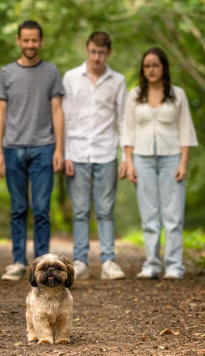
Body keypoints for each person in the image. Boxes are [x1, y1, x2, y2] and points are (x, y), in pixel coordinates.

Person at [0, 20, 65, 282]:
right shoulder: (7, 73)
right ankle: (17, 261)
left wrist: (59, 148)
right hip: (13, 148)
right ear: (18, 41)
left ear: (41, 41)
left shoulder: (51, 72)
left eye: (35, 40)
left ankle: (44, 265)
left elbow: (57, 110)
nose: (31, 44)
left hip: (44, 148)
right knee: (18, 208)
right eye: (26, 40)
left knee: (42, 208)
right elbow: (0, 112)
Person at [122, 47, 198, 280]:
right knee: (149, 214)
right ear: (142, 69)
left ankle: (174, 265)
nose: (151, 70)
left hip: (171, 157)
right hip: (142, 158)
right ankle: (152, 263)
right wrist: (129, 161)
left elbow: (185, 129)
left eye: (155, 65)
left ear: (163, 67)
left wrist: (183, 162)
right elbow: (128, 129)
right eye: (147, 66)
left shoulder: (178, 95)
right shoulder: (135, 95)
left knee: (173, 215)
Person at [62, 31, 127, 280]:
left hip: (106, 152)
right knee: (79, 210)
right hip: (76, 153)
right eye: (92, 51)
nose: (96, 57)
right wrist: (65, 153)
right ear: (86, 50)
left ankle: (109, 261)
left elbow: (123, 120)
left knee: (105, 210)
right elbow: (64, 118)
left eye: (101, 52)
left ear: (108, 53)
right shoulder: (70, 78)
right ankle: (80, 261)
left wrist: (125, 156)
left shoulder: (117, 81)